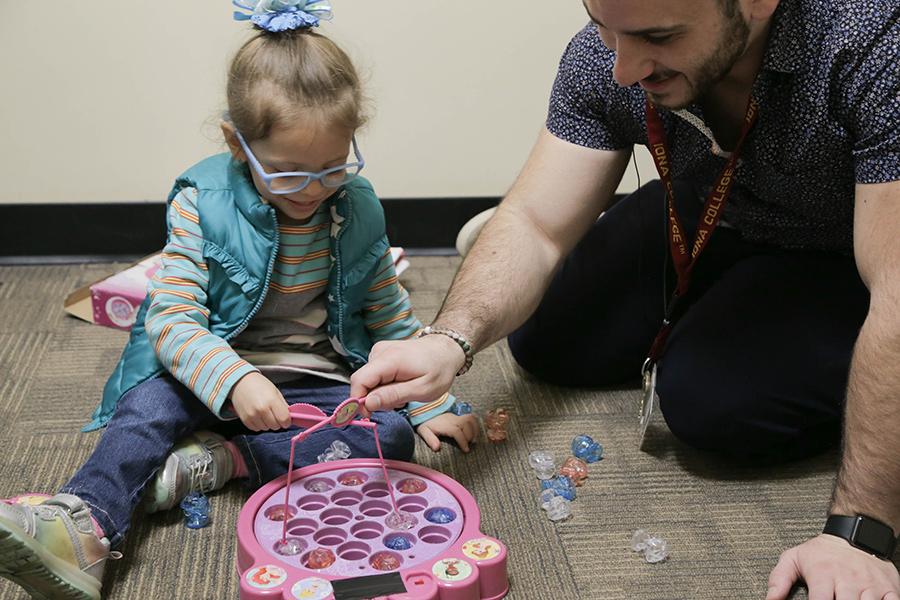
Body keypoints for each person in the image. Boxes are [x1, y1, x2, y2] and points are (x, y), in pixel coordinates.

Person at [351, 0, 900, 597]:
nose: (623, 67)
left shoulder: (873, 43)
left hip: (850, 243)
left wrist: (860, 534)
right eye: (605, 28)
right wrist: (446, 339)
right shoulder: (612, 54)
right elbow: (536, 223)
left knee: (710, 404)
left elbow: (897, 294)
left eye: (657, 36)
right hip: (720, 202)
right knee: (545, 336)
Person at [0, 2, 477, 598]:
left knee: (392, 434)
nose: (313, 189)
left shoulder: (357, 207)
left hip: (315, 379)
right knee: (144, 411)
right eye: (288, 171)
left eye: (332, 167)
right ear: (236, 143)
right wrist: (233, 380)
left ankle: (224, 461)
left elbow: (388, 313)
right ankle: (86, 524)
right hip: (207, 371)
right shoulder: (200, 202)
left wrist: (430, 403)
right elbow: (171, 323)